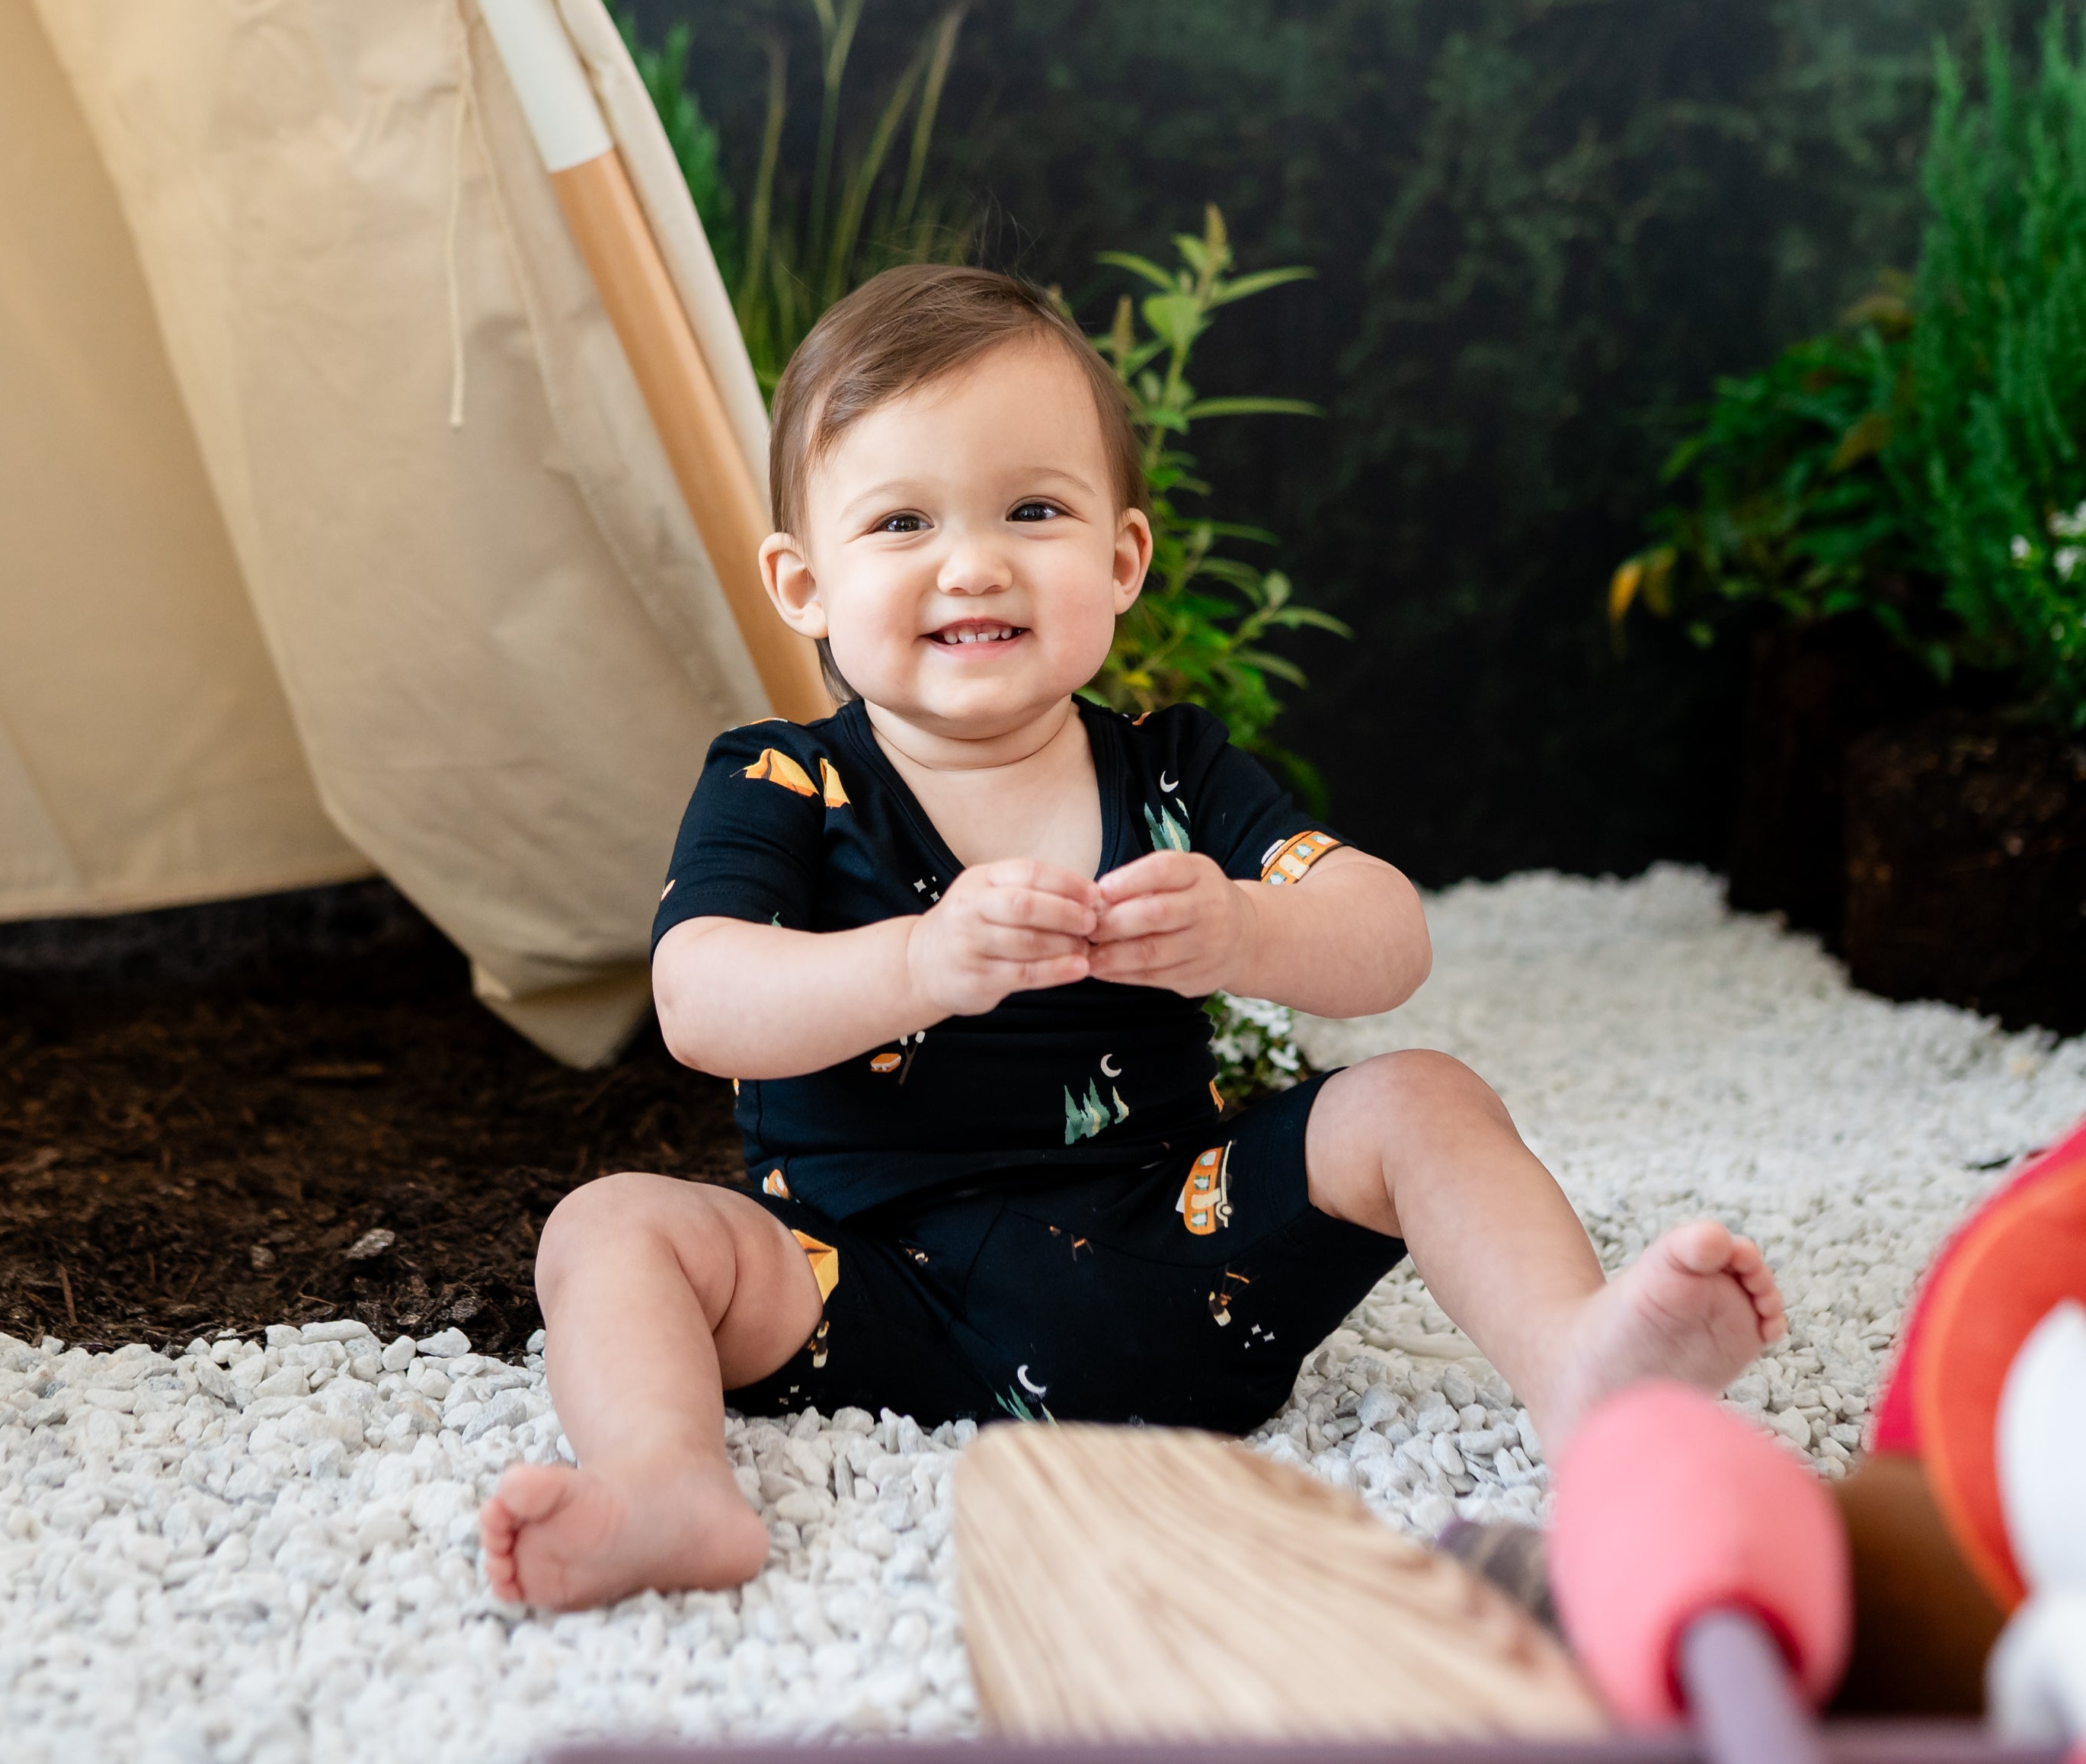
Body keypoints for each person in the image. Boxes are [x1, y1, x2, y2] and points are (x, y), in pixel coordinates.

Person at [483, 265, 1784, 1610]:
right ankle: (665, 1487)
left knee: (1423, 1100)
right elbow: (702, 999)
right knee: (611, 1227)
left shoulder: (1171, 771)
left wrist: (1243, 929)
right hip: (853, 1287)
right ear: (803, 584)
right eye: (903, 521)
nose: (974, 560)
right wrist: (922, 962)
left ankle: (1577, 1365)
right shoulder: (781, 784)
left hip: (1177, 1260)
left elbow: (1387, 938)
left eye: (1032, 510)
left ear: (1120, 561)